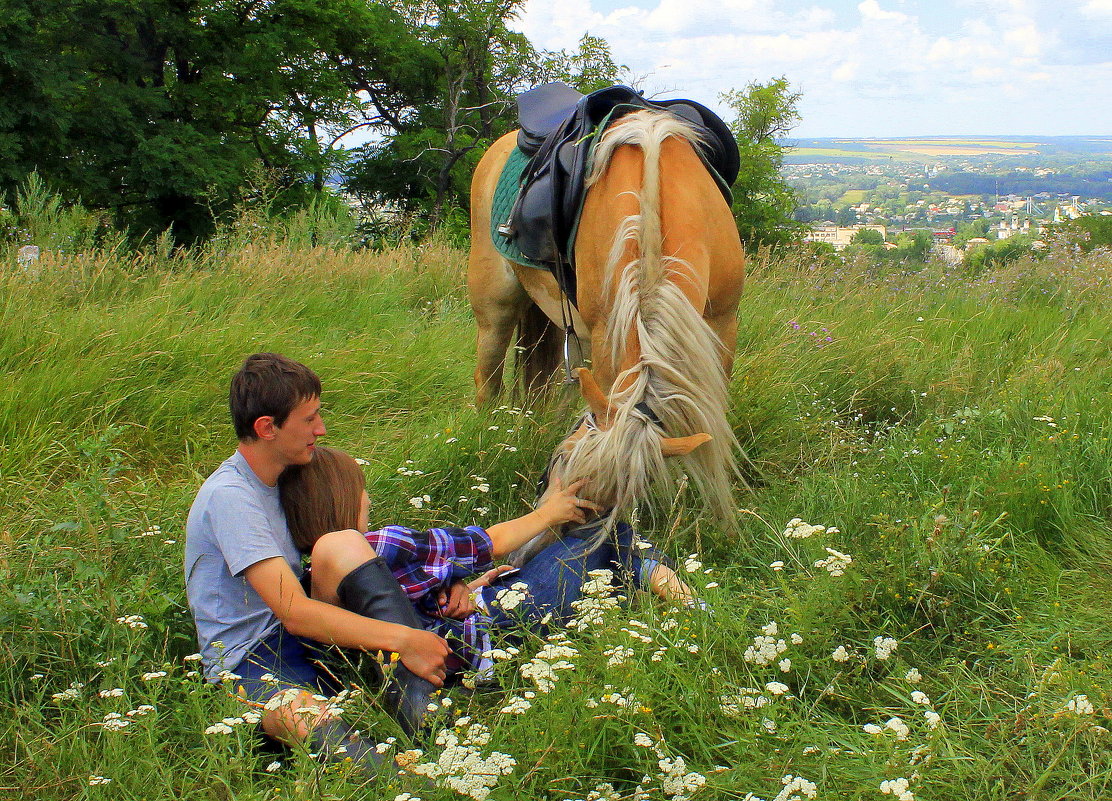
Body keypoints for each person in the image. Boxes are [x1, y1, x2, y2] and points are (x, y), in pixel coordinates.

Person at [184, 354, 455, 772]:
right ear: (267, 428)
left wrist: (451, 580)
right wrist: (402, 639)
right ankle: (401, 783)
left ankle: (424, 721)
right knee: (303, 717)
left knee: (344, 544)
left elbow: (356, 543)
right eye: (309, 419)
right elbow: (293, 612)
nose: (321, 429)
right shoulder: (231, 496)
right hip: (249, 661)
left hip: (303, 645)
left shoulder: (281, 478)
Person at [276, 445, 700, 680]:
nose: (368, 499)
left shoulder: (317, 581)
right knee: (604, 527)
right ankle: (687, 602)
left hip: (471, 642)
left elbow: (410, 610)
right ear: (343, 499)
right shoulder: (379, 541)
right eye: (361, 489)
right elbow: (488, 543)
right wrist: (549, 512)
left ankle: (644, 587)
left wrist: (467, 586)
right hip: (500, 626)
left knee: (605, 572)